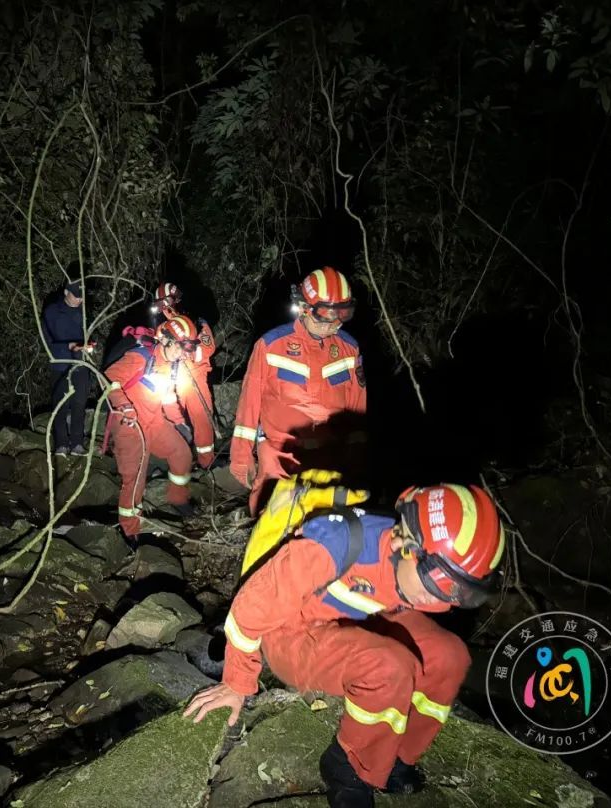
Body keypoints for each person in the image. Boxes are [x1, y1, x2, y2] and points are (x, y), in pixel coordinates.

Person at [184, 481, 505, 808]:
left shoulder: (418, 579)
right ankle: (349, 765)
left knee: (450, 657)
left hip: (357, 617)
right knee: (389, 667)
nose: (441, 599)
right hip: (291, 632)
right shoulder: (335, 546)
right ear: (403, 543)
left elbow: (409, 603)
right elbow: (251, 609)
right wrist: (236, 684)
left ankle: (398, 756)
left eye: (459, 592)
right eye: (439, 583)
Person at [230, 266, 366, 513]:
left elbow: (357, 406)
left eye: (343, 313)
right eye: (326, 313)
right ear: (304, 308)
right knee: (270, 517)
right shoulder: (271, 346)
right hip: (279, 454)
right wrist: (241, 457)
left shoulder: (349, 349)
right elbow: (248, 405)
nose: (334, 322)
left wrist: (356, 453)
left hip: (329, 455)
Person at [103, 316, 209, 540]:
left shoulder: (171, 366)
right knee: (135, 478)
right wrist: (124, 406)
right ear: (168, 341)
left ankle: (178, 498)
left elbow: (167, 397)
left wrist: (179, 421)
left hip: (155, 422)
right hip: (130, 426)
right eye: (182, 347)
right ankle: (129, 530)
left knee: (181, 453)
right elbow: (109, 378)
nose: (184, 353)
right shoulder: (141, 357)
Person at [151, 282, 218, 466]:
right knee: (169, 414)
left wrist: (186, 352)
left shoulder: (193, 320)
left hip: (193, 374)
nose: (161, 308)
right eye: (158, 305)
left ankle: (206, 461)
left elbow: (208, 346)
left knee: (201, 417)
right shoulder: (161, 324)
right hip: (168, 374)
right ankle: (175, 458)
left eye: (163, 303)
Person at [41, 278, 94, 455]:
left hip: (81, 364)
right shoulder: (52, 312)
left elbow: (87, 336)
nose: (80, 300)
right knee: (60, 405)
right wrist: (68, 346)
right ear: (66, 292)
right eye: (76, 296)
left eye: (82, 296)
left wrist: (88, 346)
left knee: (79, 404)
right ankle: (61, 444)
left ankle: (77, 443)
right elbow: (47, 343)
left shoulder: (84, 312)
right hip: (60, 364)